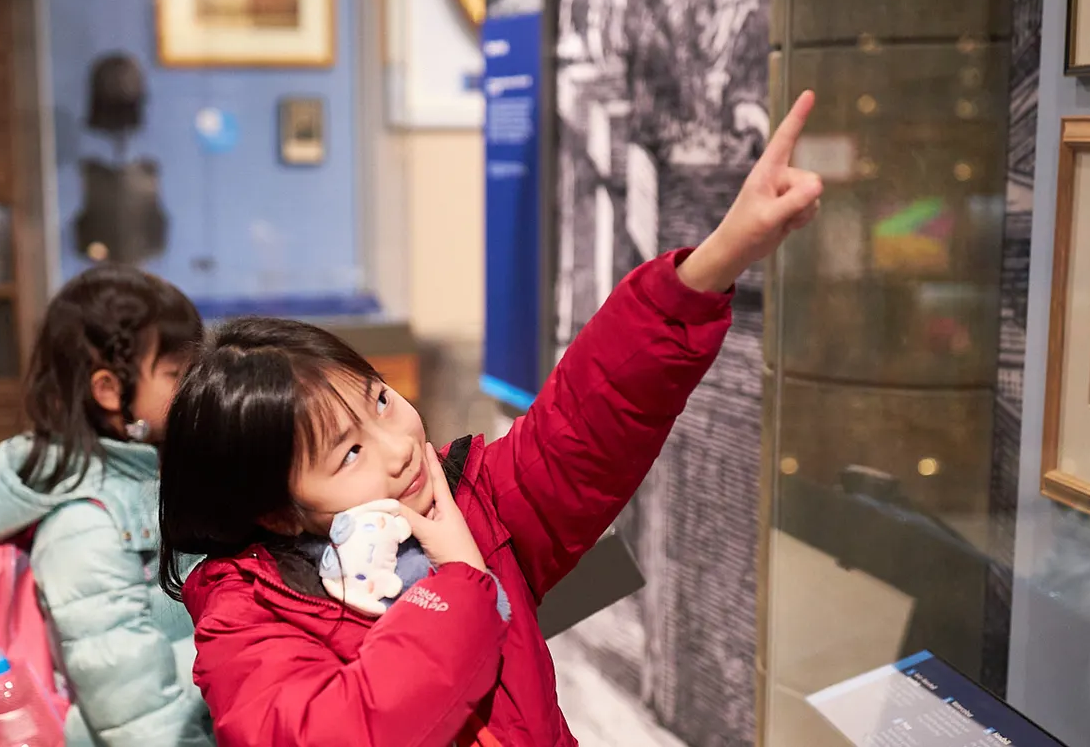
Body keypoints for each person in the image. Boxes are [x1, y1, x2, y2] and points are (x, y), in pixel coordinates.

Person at [158, 91, 826, 746]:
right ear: (277, 511)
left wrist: (717, 261)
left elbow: (591, 418)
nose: (398, 449)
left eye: (382, 401)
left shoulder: (470, 495)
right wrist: (459, 582)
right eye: (349, 453)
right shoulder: (246, 618)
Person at [0, 265, 214, 746]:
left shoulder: (157, 468)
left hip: (205, 704)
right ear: (108, 389)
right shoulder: (86, 523)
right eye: (178, 374)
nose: (199, 384)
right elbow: (129, 698)